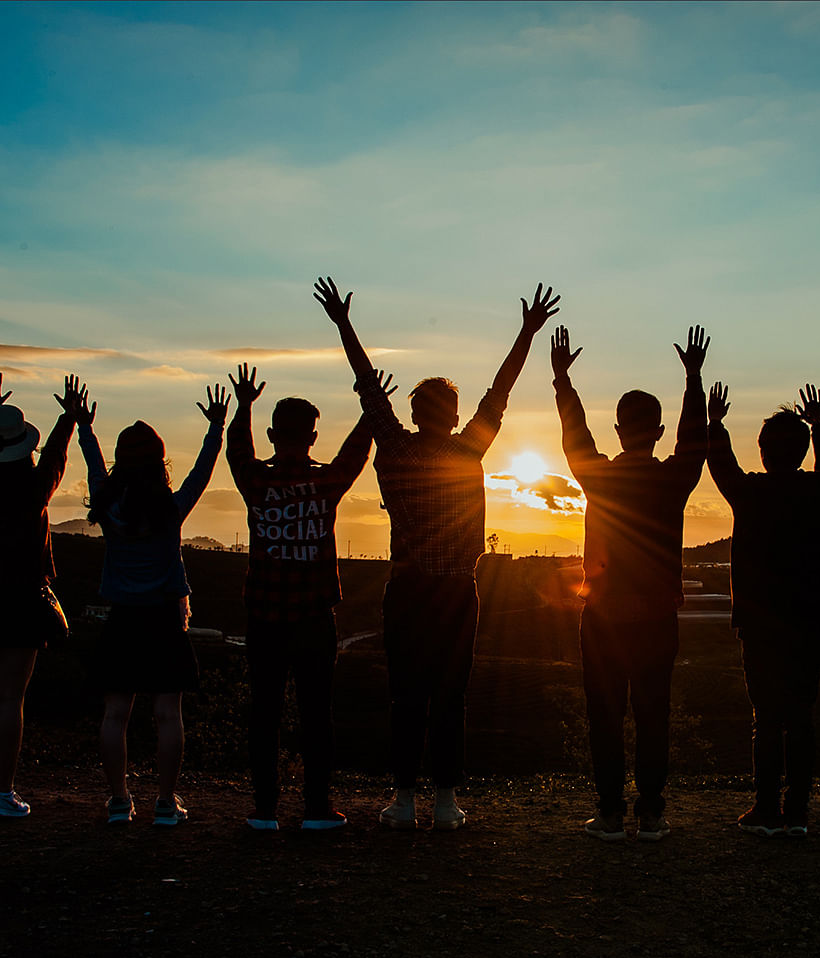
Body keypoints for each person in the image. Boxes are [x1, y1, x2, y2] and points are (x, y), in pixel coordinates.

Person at [315, 276, 559, 831]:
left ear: (415, 410)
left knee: (406, 694)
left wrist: (343, 324)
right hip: (454, 592)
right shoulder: (467, 448)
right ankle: (446, 801)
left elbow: (367, 388)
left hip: (407, 589)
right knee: (451, 695)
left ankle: (403, 800)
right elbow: (501, 391)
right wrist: (526, 332)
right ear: (451, 415)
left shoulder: (396, 448)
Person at [550, 322, 708, 842]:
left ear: (618, 430)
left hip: (603, 616)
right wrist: (693, 380)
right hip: (658, 616)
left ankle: (612, 813)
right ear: (657, 430)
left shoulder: (599, 476)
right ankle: (653, 813)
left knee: (606, 716)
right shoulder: (673, 478)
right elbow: (695, 442)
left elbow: (576, 437)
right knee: (653, 714)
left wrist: (562, 382)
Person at [227, 363, 384, 832]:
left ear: (273, 434)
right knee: (317, 713)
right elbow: (357, 452)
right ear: (313, 437)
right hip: (315, 617)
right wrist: (369, 408)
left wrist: (242, 407)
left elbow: (237, 450)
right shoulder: (326, 483)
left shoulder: (256, 483)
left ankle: (264, 809)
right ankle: (317, 808)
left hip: (264, 616)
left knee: (265, 711)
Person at [78, 384, 230, 826]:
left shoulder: (107, 505)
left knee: (115, 713)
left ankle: (119, 801)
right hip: (165, 619)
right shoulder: (171, 507)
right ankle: (166, 802)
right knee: (168, 714)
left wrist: (85, 427)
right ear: (159, 461)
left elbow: (92, 464)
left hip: (122, 618)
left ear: (121, 461)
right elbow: (202, 473)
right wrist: (215, 429)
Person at [707, 382, 820, 837]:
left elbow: (720, 464)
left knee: (765, 716)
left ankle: (765, 809)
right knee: (801, 715)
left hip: (761, 622)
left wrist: (715, 423)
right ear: (803, 451)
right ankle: (798, 812)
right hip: (809, 621)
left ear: (763, 451)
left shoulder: (750, 493)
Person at [0, 371, 82, 817]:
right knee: (11, 698)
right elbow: (55, 457)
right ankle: (3, 792)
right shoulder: (32, 488)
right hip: (21, 598)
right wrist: (69, 418)